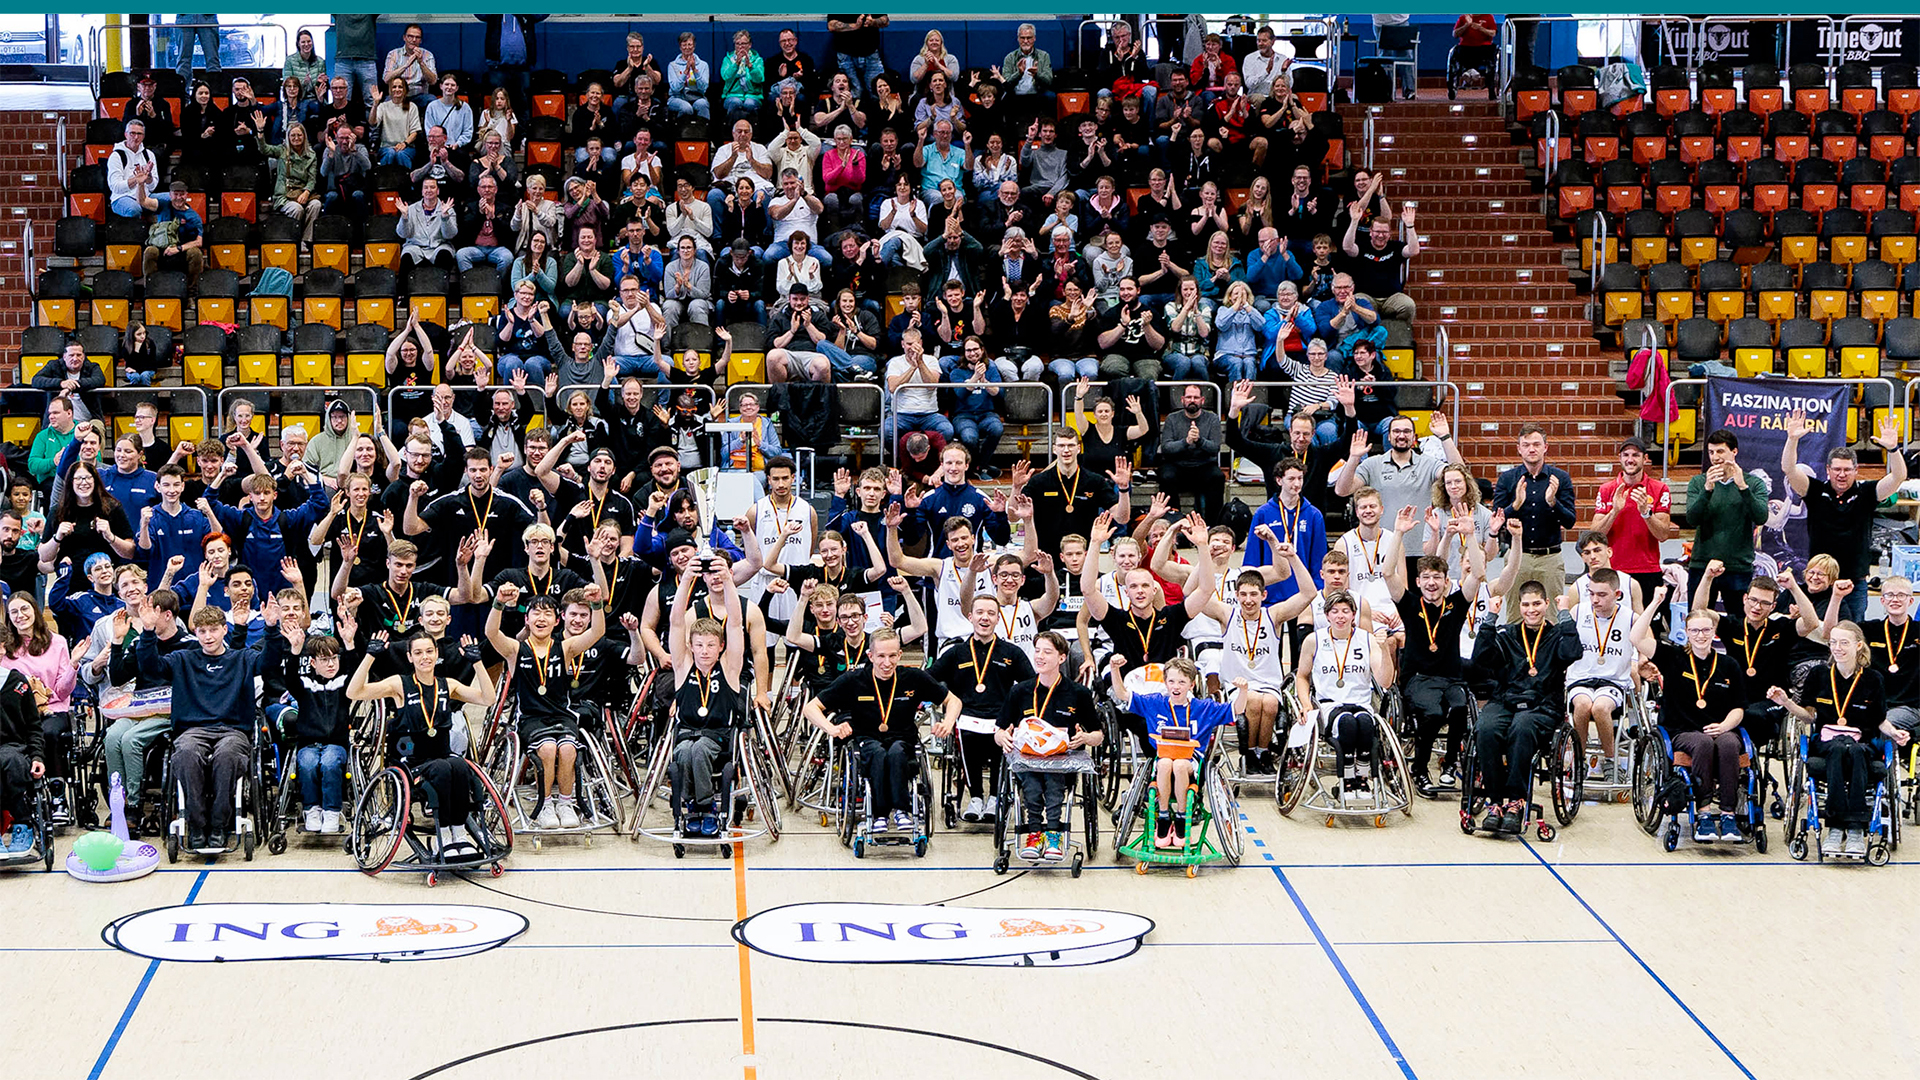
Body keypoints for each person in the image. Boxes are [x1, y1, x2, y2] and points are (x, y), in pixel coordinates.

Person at [133, 599, 274, 852]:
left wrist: (272, 628)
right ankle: (196, 825)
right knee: (185, 754)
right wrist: (147, 632)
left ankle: (219, 826)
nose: (208, 636)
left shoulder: (242, 657)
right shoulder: (182, 659)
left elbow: (269, 665)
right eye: (202, 631)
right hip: (192, 730)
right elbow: (151, 668)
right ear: (195, 633)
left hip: (232, 730)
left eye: (213, 630)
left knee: (228, 754)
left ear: (224, 629)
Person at [348, 628, 497, 858]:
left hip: (442, 757)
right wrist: (370, 656)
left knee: (459, 766)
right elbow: (353, 692)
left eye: (429, 651)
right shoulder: (399, 684)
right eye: (418, 652)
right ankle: (443, 837)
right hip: (411, 764)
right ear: (410, 657)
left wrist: (477, 662)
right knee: (443, 768)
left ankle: (459, 834)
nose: (424, 657)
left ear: (437, 654)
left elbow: (488, 699)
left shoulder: (448, 684)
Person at [1769, 620, 1908, 858]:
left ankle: (1854, 830)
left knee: (1853, 750)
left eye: (1844, 642)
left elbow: (1879, 720)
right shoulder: (1819, 674)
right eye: (1833, 642)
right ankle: (1835, 828)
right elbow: (1809, 717)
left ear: (1858, 645)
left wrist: (1895, 733)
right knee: (1837, 749)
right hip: (1826, 743)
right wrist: (1787, 703)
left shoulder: (1873, 679)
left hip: (1861, 744)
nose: (1837, 648)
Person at [806, 626, 960, 838]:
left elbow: (954, 700)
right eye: (880, 656)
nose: (886, 663)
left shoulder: (913, 678)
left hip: (903, 738)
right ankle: (880, 814)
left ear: (899, 655)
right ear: (870, 656)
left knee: (896, 753)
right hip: (867, 738)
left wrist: (948, 722)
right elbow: (810, 708)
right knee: (878, 754)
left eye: (891, 656)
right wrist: (831, 728)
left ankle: (901, 810)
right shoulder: (854, 680)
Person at [484, 571, 606, 831]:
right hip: (530, 718)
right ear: (527, 620)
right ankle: (545, 804)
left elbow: (598, 631)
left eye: (547, 613)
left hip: (561, 715)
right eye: (536, 614)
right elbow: (491, 633)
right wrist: (498, 603)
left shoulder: (566, 647)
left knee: (569, 749)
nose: (541, 618)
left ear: (556, 620)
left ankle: (565, 802)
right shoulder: (516, 650)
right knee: (548, 748)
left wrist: (596, 604)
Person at [1631, 592, 1751, 843]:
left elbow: (1739, 707)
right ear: (1686, 631)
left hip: (1721, 728)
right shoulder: (1673, 657)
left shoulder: (1729, 665)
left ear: (1713, 631)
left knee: (1729, 743)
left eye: (1705, 630)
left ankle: (1728, 814)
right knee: (1703, 743)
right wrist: (1655, 603)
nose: (1700, 635)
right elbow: (1636, 637)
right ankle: (1704, 813)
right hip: (1682, 731)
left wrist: (1725, 726)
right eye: (1694, 630)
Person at [1468, 582, 1584, 835]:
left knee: (1522, 728)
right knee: (1485, 728)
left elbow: (1573, 652)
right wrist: (1490, 618)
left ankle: (1516, 801)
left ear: (1545, 604)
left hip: (1542, 704)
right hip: (1506, 700)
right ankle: (1495, 802)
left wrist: (1564, 614)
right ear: (1519, 606)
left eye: (1536, 604)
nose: (1531, 610)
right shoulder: (1508, 634)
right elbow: (1481, 658)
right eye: (1526, 604)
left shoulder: (1556, 634)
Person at [1783, 410, 1906, 624]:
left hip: (1854, 581)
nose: (1842, 474)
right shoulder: (1814, 490)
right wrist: (1792, 439)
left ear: (1856, 470)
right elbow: (1789, 469)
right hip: (1819, 581)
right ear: (1828, 470)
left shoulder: (1867, 492)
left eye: (1847, 470)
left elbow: (1898, 477)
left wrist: (1893, 449)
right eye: (1837, 469)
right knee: (1815, 630)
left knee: (1852, 631)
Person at [1107, 655, 1236, 849]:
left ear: (1191, 685)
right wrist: (1114, 669)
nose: (1176, 686)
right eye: (1172, 681)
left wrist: (1242, 691)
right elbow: (1123, 694)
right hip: (1163, 763)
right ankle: (1164, 817)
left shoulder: (1203, 708)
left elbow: (1237, 709)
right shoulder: (1155, 702)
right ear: (1165, 683)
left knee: (1179, 764)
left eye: (1182, 682)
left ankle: (1183, 818)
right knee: (1166, 762)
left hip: (1192, 766)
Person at [930, 591, 1037, 824]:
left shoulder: (1012, 652)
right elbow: (929, 679)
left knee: (1002, 740)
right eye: (979, 612)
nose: (985, 618)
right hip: (966, 715)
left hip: (1001, 717)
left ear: (998, 618)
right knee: (966, 737)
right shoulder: (956, 652)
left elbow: (1032, 686)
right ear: (970, 616)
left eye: (991, 613)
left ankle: (996, 797)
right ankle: (976, 796)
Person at [1294, 588, 1396, 798]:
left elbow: (1385, 681)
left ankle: (1362, 779)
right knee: (1347, 724)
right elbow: (1302, 677)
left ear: (1353, 615)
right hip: (1329, 704)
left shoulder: (1367, 640)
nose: (1340, 616)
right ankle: (1348, 780)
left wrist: (1385, 649)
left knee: (1366, 724)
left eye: (1345, 611)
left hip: (1361, 704)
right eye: (1335, 611)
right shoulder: (1314, 641)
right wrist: (1305, 704)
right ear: (1327, 615)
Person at [1492, 424, 1578, 623]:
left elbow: (1570, 521)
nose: (1532, 449)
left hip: (1549, 557)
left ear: (1545, 447)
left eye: (1536, 444)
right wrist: (1516, 504)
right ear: (1519, 448)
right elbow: (1496, 522)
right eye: (1526, 445)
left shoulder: (1560, 478)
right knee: (1515, 614)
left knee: (1552, 616)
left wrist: (1552, 502)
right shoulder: (1507, 479)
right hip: (1517, 558)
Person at [1561, 568, 1637, 787]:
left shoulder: (1630, 617)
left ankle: (1611, 761)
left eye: (1602, 595)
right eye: (1592, 593)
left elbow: (1646, 642)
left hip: (1613, 681)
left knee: (1601, 708)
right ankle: (1580, 760)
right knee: (1583, 705)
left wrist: (1641, 662)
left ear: (1617, 594)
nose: (1595, 599)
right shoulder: (1578, 612)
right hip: (1581, 678)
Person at [1684, 429, 1770, 615]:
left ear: (1734, 452)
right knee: (1697, 620)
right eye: (1711, 452)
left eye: (1720, 451)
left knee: (1740, 626)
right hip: (1703, 566)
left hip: (1738, 567)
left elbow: (1761, 517)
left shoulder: (1753, 483)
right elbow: (1692, 519)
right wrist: (1707, 490)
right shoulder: (1699, 482)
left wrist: (1742, 487)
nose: (1715, 457)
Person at [1590, 437, 1674, 610]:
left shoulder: (1659, 489)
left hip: (1647, 570)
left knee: (1648, 630)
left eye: (1636, 455)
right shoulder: (1606, 490)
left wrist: (1646, 513)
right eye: (1626, 455)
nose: (1630, 459)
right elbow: (1595, 536)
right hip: (1613, 570)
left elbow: (1663, 534)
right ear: (1619, 458)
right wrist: (1614, 511)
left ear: (1645, 459)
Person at [1158, 383, 1224, 523]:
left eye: (1196, 397)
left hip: (1203, 465)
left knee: (1217, 477)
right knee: (1166, 476)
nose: (1192, 400)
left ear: (1202, 400)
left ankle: (1213, 524)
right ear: (1182, 400)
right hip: (1177, 465)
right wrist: (1186, 441)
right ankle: (1173, 521)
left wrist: (1199, 440)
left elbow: (1215, 448)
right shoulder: (1172, 418)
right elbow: (1166, 448)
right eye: (1188, 397)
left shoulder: (1212, 419)